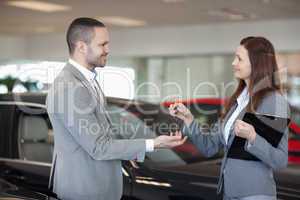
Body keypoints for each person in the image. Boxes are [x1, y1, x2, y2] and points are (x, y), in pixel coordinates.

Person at [46, 17, 187, 200]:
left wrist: (127, 151)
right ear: (81, 46)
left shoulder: (87, 81)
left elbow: (100, 134)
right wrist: (154, 143)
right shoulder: (69, 88)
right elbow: (98, 146)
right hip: (85, 190)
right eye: (102, 44)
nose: (108, 50)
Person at [169, 36, 290, 200]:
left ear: (256, 63)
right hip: (230, 193)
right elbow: (209, 147)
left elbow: (279, 160)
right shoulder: (237, 101)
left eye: (239, 59)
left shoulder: (274, 101)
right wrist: (189, 119)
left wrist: (253, 137)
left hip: (255, 195)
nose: (233, 63)